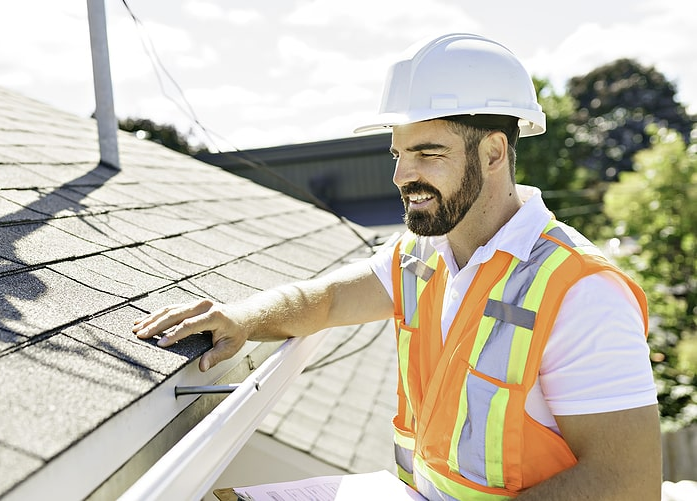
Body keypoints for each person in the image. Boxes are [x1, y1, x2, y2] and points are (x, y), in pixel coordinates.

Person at [133, 33, 662, 500]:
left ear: (495, 152)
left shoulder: (581, 291)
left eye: (428, 154)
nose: (402, 175)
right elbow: (329, 300)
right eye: (397, 154)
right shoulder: (422, 253)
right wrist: (241, 317)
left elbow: (628, 484)